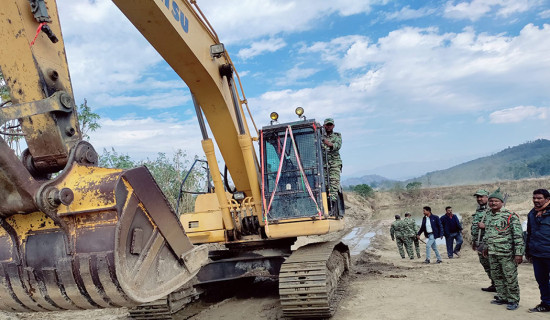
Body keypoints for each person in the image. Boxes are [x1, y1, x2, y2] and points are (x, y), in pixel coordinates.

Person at [483, 188, 523, 311]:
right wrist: (485, 247)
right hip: (493, 252)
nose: (493, 203)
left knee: (510, 277)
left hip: (507, 253)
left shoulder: (510, 216)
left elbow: (518, 236)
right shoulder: (488, 215)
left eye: (495, 201)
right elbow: (488, 233)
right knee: (497, 276)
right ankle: (502, 296)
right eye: (491, 201)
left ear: (501, 202)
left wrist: (519, 253)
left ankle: (513, 300)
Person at [525, 189, 550, 313]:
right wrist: (528, 251)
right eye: (534, 198)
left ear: (547, 199)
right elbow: (529, 233)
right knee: (542, 280)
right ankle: (546, 304)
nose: (536, 200)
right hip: (537, 254)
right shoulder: (532, 214)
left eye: (539, 198)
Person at [470, 189, 495, 292]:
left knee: (494, 266)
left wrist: (486, 226)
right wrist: (474, 241)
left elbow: (499, 225)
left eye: (481, 196)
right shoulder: (479, 210)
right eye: (478, 197)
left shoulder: (492, 209)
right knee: (486, 265)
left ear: (487, 197)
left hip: (489, 243)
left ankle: (501, 287)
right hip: (479, 243)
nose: (479, 199)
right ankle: (494, 284)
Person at [321, 118, 342, 205]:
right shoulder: (319, 136)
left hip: (334, 164)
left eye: (330, 125)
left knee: (334, 184)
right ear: (324, 126)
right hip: (323, 165)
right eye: (327, 125)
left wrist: (326, 142)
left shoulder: (337, 136)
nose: (329, 127)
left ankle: (333, 203)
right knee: (324, 185)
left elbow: (336, 146)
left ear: (333, 126)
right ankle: (326, 204)